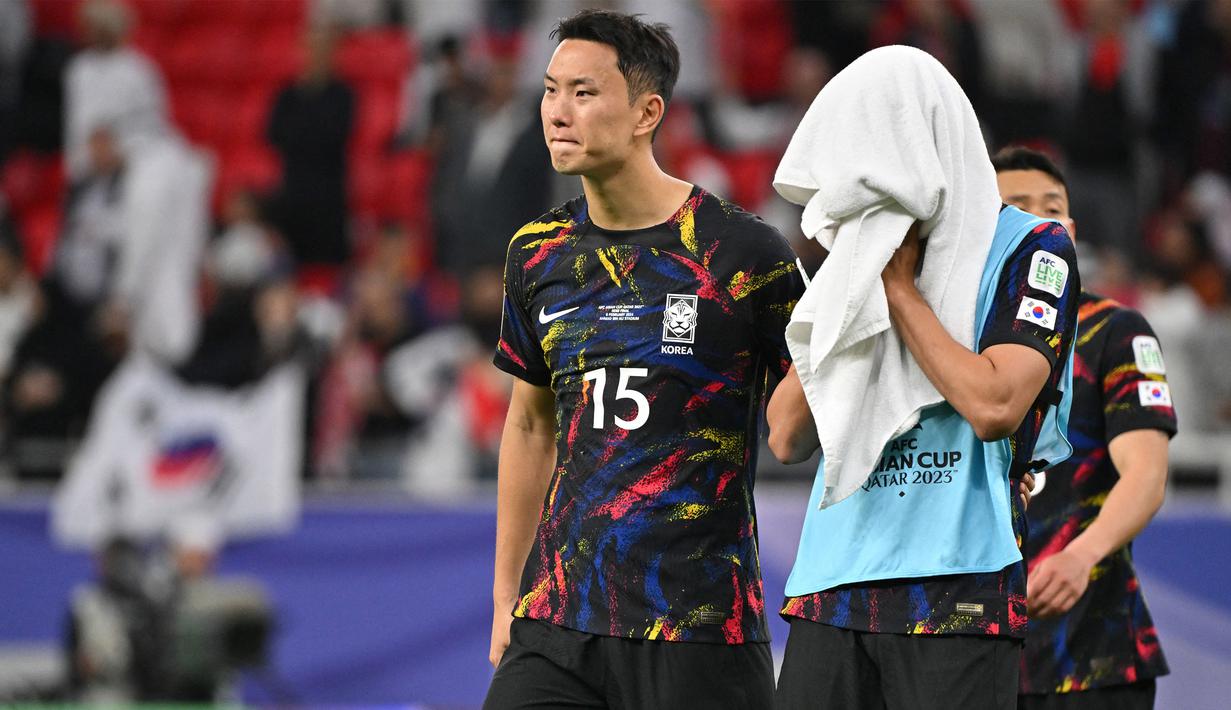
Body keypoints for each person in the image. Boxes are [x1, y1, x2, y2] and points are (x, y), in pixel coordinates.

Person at [484, 10, 803, 708]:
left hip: (699, 629)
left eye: (583, 92)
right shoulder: (536, 253)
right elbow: (530, 426)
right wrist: (508, 594)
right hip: (558, 622)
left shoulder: (743, 256)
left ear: (645, 112)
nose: (557, 112)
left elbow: (816, 415)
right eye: (549, 90)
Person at [768, 142, 1080, 709]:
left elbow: (992, 409)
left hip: (958, 584)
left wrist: (901, 292)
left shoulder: (1034, 254)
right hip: (832, 583)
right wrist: (855, 276)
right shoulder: (858, 259)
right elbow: (786, 435)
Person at [994, 146, 1175, 710]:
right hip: (977, 655)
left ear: (1069, 230)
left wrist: (1080, 555)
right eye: (1018, 207)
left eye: (1053, 208)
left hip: (1094, 656)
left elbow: (1146, 475)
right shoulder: (952, 344)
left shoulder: (1117, 331)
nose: (1042, 220)